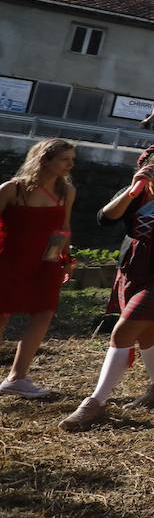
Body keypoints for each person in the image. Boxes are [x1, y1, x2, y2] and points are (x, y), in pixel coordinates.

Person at [60, 145, 154, 431]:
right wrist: (132, 190)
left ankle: (96, 403)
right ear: (144, 169)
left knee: (124, 330)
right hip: (133, 268)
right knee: (147, 332)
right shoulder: (133, 192)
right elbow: (105, 219)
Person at [0, 139, 77, 400]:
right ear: (45, 159)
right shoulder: (12, 189)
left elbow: (65, 226)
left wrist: (66, 256)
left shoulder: (67, 191)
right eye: (65, 159)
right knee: (1, 314)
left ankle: (17, 377)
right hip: (10, 260)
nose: (71, 165)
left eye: (72, 159)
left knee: (44, 312)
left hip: (48, 262)